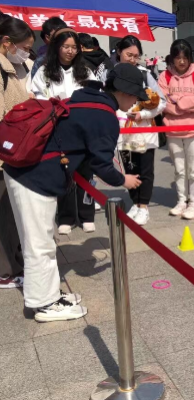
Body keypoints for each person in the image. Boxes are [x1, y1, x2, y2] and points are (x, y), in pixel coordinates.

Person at [3, 63, 143, 322]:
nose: (136, 102)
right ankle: (44, 304)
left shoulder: (87, 98)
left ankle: (49, 294)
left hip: (25, 170)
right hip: (35, 177)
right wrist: (124, 180)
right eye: (135, 95)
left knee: (40, 240)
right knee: (39, 244)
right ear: (124, 91)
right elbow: (102, 165)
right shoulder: (104, 115)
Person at [30, 28, 97, 235]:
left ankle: (87, 215)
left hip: (83, 129)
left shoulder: (85, 70)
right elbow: (36, 96)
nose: (70, 51)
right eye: (66, 47)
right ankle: (66, 217)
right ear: (57, 47)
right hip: (57, 129)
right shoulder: (44, 71)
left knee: (86, 172)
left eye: (74, 47)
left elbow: (96, 95)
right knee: (64, 172)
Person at [107, 35, 167, 225]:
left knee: (145, 169)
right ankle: (134, 202)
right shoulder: (111, 74)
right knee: (129, 168)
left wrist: (144, 114)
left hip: (144, 130)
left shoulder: (145, 75)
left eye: (136, 56)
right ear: (119, 52)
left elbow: (162, 102)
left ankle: (144, 206)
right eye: (129, 55)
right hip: (122, 131)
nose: (133, 59)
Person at [0, 17, 35, 289]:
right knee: (4, 217)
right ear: (6, 42)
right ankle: (5, 272)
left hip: (16, 152)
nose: (27, 53)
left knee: (12, 215)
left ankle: (13, 262)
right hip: (5, 154)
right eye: (24, 48)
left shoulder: (18, 67)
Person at [158, 39, 194, 220]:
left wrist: (177, 100)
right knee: (179, 169)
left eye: (184, 58)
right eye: (177, 57)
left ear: (189, 58)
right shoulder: (164, 76)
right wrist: (184, 105)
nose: (181, 61)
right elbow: (162, 102)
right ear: (172, 58)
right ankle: (181, 200)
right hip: (173, 130)